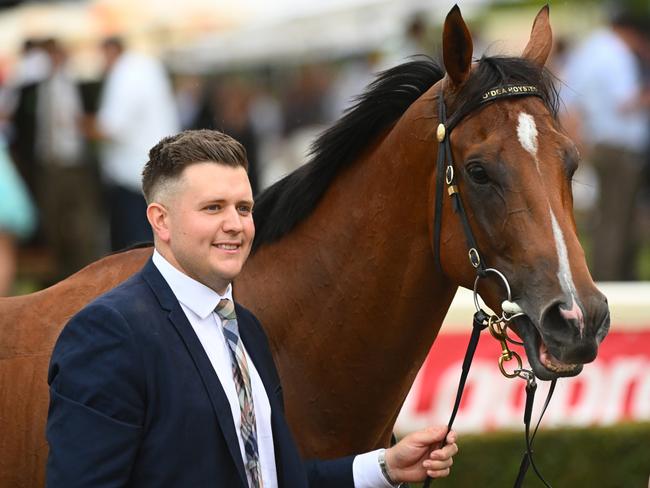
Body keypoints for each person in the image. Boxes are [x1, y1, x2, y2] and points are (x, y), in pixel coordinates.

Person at [46, 129, 458, 487]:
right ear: (161, 221)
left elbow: (274, 478)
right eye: (213, 207)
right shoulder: (109, 334)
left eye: (244, 208)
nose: (236, 224)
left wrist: (385, 466)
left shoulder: (246, 330)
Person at [561, 11, 650, 280]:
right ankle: (611, 280)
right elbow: (624, 102)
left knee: (611, 218)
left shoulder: (591, 48)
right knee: (616, 221)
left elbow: (571, 98)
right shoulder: (617, 54)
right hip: (620, 146)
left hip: (602, 141)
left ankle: (614, 277)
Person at [87, 36, 180, 251]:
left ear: (110, 51)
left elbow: (109, 127)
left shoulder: (125, 72)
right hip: (159, 171)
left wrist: (74, 123)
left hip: (133, 178)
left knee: (134, 250)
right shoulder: (148, 66)